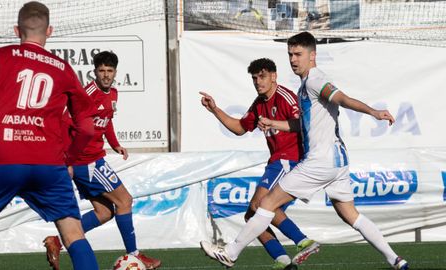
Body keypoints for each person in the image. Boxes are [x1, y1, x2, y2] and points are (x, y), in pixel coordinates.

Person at [200, 32, 409, 270]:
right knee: (351, 215)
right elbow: (302, 124)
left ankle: (231, 252)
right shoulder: (304, 86)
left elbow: (342, 99)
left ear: (312, 55)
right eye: (290, 54)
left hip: (320, 161)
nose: (293, 59)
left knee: (266, 204)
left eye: (298, 54)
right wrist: (273, 123)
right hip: (338, 162)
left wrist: (374, 112)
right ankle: (395, 259)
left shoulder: (314, 80)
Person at [0, 2, 99, 270]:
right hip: (49, 164)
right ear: (49, 30)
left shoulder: (0, 57)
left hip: (4, 158)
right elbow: (86, 128)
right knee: (73, 232)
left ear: (17, 29)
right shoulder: (64, 70)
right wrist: (70, 161)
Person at [43, 51, 161, 270]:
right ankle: (134, 254)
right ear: (94, 72)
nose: (106, 75)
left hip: (92, 159)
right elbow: (64, 123)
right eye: (101, 71)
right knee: (124, 201)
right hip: (86, 161)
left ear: (115, 72)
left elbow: (106, 121)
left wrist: (115, 143)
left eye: (109, 71)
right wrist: (67, 160)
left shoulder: (113, 93)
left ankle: (57, 242)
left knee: (104, 212)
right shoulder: (87, 93)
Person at [200, 58, 319, 270]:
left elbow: (302, 124)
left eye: (262, 76)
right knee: (254, 214)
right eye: (254, 78)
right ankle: (283, 260)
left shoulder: (285, 97)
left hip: (288, 160)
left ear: (274, 76)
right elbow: (239, 128)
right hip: (277, 161)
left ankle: (303, 242)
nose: (257, 82)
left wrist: (274, 123)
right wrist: (214, 110)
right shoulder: (259, 103)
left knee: (259, 205)